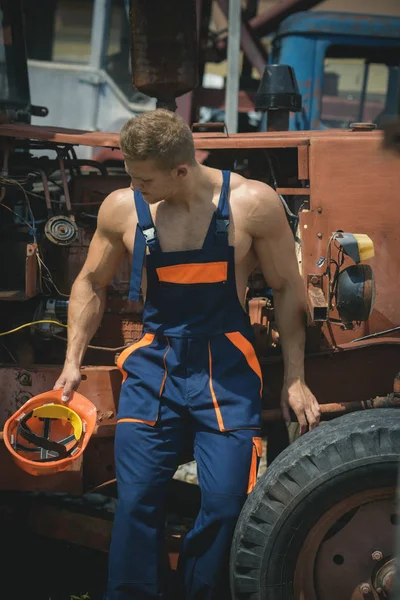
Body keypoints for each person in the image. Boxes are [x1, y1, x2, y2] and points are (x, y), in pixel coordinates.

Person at [54, 109, 320, 600]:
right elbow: (90, 283)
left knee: (223, 505)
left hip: (227, 368)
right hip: (155, 366)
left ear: (180, 169)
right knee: (134, 503)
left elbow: (287, 290)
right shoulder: (123, 208)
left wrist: (295, 378)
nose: (134, 186)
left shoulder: (251, 204)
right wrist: (73, 360)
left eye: (143, 177)